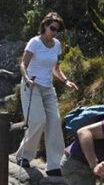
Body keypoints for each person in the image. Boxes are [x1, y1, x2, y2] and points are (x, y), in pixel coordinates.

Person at [16, 12, 79, 176]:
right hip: (32, 86)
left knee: (55, 122)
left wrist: (65, 81)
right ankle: (24, 156)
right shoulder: (34, 43)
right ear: (45, 26)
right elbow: (23, 64)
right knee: (38, 120)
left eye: (57, 30)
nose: (54, 32)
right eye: (52, 28)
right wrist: (27, 79)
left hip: (48, 88)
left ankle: (54, 165)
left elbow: (56, 69)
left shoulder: (57, 44)